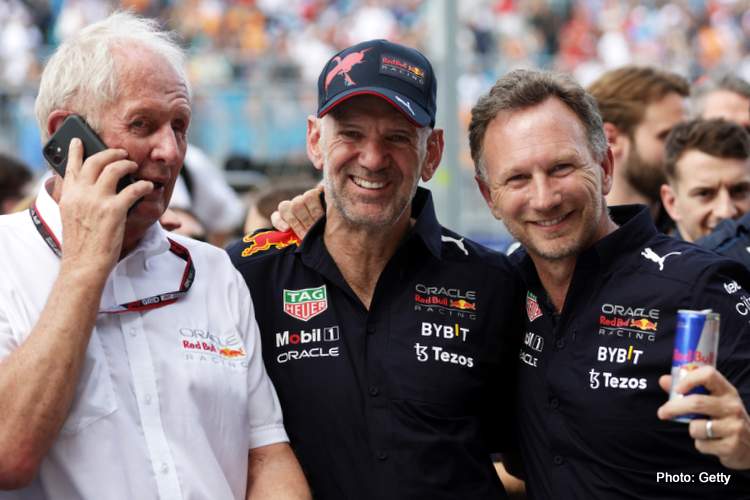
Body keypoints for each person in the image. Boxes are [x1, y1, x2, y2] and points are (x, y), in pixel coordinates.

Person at [0, 12, 309, 499]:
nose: (169, 150)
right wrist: (84, 263)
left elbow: (265, 455)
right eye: (142, 124)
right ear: (67, 135)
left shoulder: (213, 270)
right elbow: (8, 454)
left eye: (180, 126)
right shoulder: (6, 257)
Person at [228, 39, 523, 499]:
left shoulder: (494, 284)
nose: (372, 157)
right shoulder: (244, 278)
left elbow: (536, 459)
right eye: (350, 133)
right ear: (315, 141)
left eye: (397, 137)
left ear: (433, 152)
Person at [469, 68, 750, 498]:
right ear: (490, 197)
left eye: (561, 167)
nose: (544, 198)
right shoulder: (503, 288)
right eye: (517, 178)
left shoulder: (701, 288)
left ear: (604, 167)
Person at [587, 66, 689, 228]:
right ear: (611, 138)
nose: (685, 150)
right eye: (667, 136)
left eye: (685, 136)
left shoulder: (693, 229)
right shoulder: (578, 239)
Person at [660, 119, 750, 268]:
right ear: (671, 202)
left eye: (739, 191)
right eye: (705, 194)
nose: (726, 211)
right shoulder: (659, 280)